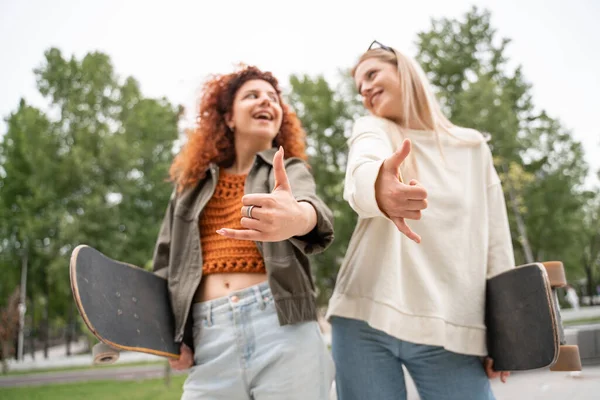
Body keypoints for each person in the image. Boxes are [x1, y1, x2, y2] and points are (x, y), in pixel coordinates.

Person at [326, 40, 515, 400]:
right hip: (364, 318)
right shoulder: (374, 128)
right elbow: (362, 170)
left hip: (450, 327)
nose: (364, 89)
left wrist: (503, 333)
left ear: (404, 71)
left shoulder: (472, 148)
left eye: (372, 74)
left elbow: (496, 243)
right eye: (359, 87)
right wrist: (379, 188)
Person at [152, 65, 335, 399]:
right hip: (209, 337)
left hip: (284, 329)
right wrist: (173, 338)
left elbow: (314, 210)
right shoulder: (190, 187)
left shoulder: (288, 170)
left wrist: (298, 217)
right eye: (252, 95)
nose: (266, 101)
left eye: (273, 98)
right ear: (229, 118)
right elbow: (164, 268)